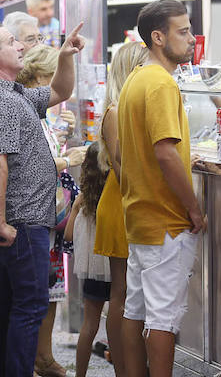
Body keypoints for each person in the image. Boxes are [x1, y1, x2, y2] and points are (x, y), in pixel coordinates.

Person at [0, 19, 85, 377]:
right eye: (11, 42)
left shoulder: (13, 93)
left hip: (23, 220)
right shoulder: (1, 101)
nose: (20, 45)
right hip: (21, 222)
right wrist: (0, 221)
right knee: (31, 306)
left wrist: (65, 56)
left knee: (6, 308)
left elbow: (59, 91)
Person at [117, 0, 207, 377]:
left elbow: (124, 152)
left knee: (135, 311)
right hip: (166, 222)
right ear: (158, 37)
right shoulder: (160, 83)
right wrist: (194, 208)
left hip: (141, 216)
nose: (191, 39)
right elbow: (166, 152)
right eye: (183, 31)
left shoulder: (136, 79)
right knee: (163, 319)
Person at [15, 44, 88, 377]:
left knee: (51, 288)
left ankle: (42, 356)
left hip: (48, 213)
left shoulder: (38, 110)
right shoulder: (24, 107)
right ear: (42, 77)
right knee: (37, 292)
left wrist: (63, 135)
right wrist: (66, 159)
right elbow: (29, 161)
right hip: (37, 214)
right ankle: (35, 358)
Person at [93, 41, 149, 377]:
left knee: (132, 291)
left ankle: (131, 362)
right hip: (120, 204)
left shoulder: (132, 107)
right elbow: (121, 166)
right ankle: (123, 367)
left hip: (132, 203)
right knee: (122, 290)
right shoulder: (115, 111)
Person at [63, 142, 111, 377]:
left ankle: (80, 374)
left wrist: (74, 210)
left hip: (92, 269)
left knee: (89, 325)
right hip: (116, 267)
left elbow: (69, 236)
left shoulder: (84, 200)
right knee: (118, 322)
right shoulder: (115, 197)